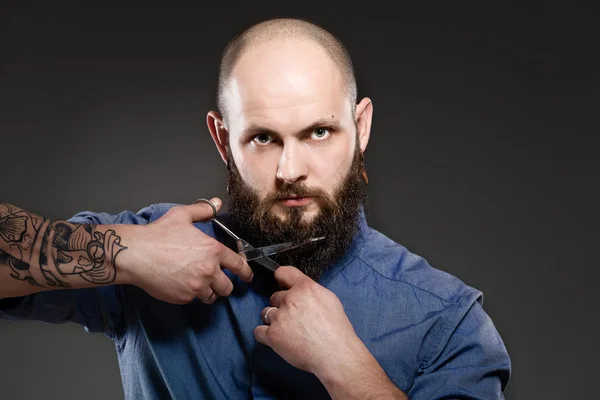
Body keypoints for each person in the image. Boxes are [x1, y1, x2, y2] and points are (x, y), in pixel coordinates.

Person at [0, 17, 511, 399]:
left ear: (362, 129)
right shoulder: (151, 246)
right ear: (223, 141)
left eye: (319, 132)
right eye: (263, 137)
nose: (291, 169)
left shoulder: (447, 320)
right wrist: (125, 253)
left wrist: (347, 367)